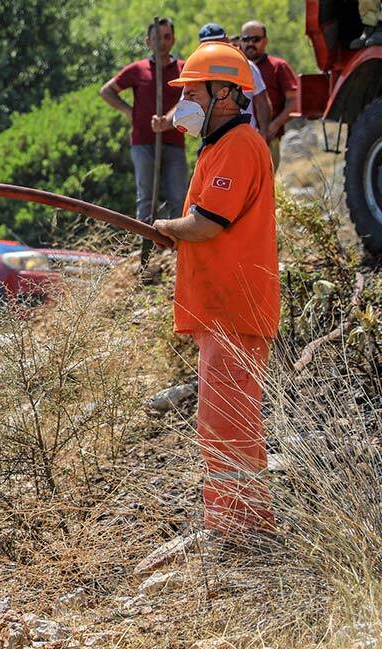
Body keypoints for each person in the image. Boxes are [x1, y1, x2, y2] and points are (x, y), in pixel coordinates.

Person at [152, 42, 280, 539]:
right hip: (225, 311)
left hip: (236, 310)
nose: (186, 102)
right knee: (222, 423)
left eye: (193, 92)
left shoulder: (240, 147)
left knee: (227, 426)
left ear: (225, 93)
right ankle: (234, 525)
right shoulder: (221, 146)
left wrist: (167, 225)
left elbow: (207, 225)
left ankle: (241, 530)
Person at [100, 17, 189, 225]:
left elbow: (189, 96)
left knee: (178, 197)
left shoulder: (184, 69)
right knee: (146, 198)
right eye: (157, 37)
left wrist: (168, 120)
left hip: (175, 141)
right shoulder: (137, 69)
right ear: (148, 41)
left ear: (173, 40)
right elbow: (106, 91)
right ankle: (145, 247)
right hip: (142, 141)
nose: (162, 42)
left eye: (167, 37)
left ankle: (176, 247)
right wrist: (129, 111)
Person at [198, 22, 271, 144]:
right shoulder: (197, 71)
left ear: (226, 41)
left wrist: (263, 133)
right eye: (208, 44)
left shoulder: (246, 65)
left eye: (217, 42)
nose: (214, 47)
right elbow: (186, 102)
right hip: (213, 140)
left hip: (245, 137)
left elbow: (262, 102)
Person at [239, 20, 298, 166]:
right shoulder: (235, 67)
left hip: (270, 139)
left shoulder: (278, 66)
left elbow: (295, 102)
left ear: (265, 41)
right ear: (241, 41)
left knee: (266, 184)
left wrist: (274, 125)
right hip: (239, 139)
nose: (250, 43)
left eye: (256, 39)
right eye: (246, 39)